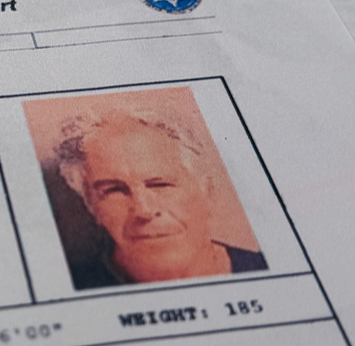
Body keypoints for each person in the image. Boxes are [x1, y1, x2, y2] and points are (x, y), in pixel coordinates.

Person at [55, 110, 266, 287]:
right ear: (91, 205)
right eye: (114, 190)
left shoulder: (264, 268)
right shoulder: (69, 285)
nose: (144, 210)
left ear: (207, 191)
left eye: (160, 185)